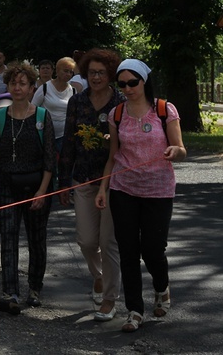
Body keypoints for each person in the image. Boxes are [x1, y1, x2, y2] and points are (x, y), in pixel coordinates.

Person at [96, 59, 185, 333]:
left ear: (144, 81)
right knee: (128, 251)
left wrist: (174, 152)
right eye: (121, 84)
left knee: (153, 249)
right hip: (124, 189)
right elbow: (113, 156)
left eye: (132, 82)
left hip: (158, 190)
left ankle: (162, 288)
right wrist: (103, 187)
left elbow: (181, 148)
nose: (127, 88)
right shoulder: (117, 114)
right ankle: (134, 310)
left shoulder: (163, 110)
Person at [58, 48, 124, 322]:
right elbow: (69, 143)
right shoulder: (77, 102)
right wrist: (64, 182)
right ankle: (97, 277)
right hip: (83, 177)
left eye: (101, 72)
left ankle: (110, 299)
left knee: (109, 242)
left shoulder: (120, 103)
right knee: (86, 240)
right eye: (92, 72)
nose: (96, 77)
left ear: (110, 75)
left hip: (114, 181)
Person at [0, 61, 56, 315]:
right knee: (8, 238)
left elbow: (50, 158)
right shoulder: (0, 116)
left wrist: (43, 191)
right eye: (13, 83)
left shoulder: (42, 116)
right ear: (7, 86)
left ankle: (35, 288)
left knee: (36, 240)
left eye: (22, 83)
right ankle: (10, 292)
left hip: (36, 187)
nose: (17, 87)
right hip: (7, 185)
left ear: (31, 87)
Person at [31, 57, 76, 154]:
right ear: (58, 71)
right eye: (65, 71)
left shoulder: (73, 91)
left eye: (70, 72)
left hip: (63, 136)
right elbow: (32, 108)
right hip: (44, 135)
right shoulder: (45, 88)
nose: (68, 74)